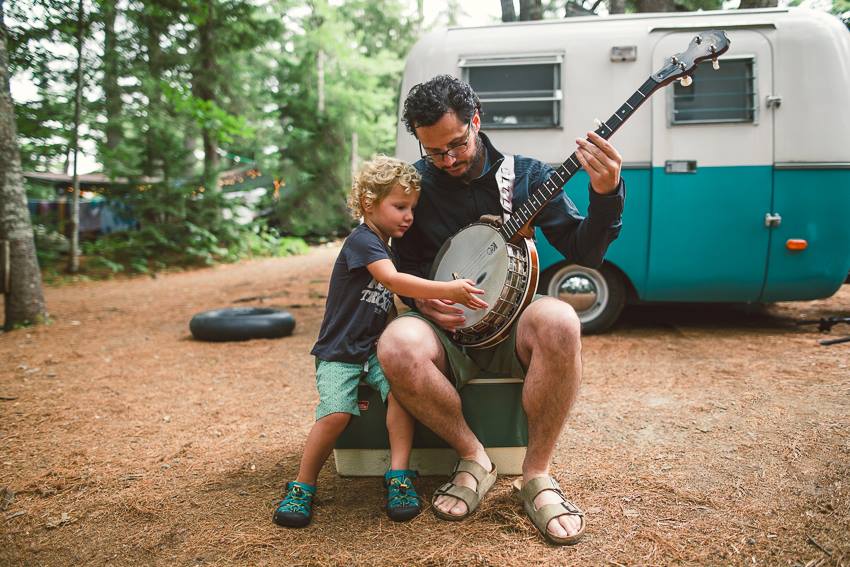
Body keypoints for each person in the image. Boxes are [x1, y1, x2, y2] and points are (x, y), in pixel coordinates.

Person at [376, 75, 625, 545]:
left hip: (514, 321)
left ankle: (537, 475)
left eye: (456, 144)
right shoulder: (416, 185)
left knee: (560, 320)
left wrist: (606, 193)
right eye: (435, 152)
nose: (448, 160)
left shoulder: (527, 177)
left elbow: (585, 252)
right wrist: (422, 300)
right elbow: (398, 266)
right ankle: (474, 457)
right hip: (445, 329)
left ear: (475, 121)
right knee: (396, 344)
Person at [273, 155, 488, 528]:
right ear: (369, 203)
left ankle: (399, 475)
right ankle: (303, 484)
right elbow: (392, 282)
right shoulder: (363, 241)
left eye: (412, 208)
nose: (409, 216)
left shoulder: (387, 247)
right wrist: (448, 290)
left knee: (401, 395)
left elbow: (385, 304)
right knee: (336, 413)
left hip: (371, 350)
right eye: (400, 207)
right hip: (340, 351)